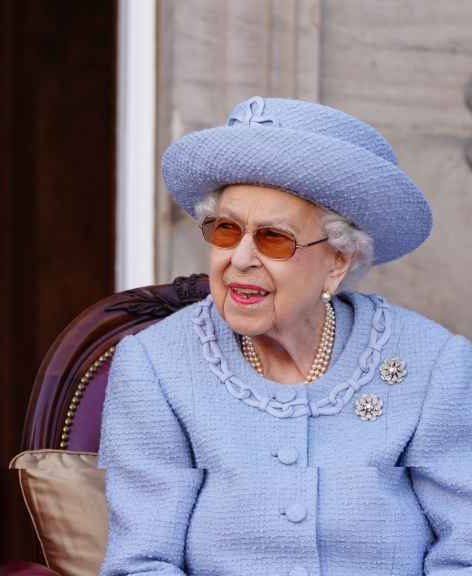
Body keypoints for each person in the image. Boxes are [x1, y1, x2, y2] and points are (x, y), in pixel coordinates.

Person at [99, 96, 471, 575]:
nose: (240, 258)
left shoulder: (434, 363)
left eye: (274, 238)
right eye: (226, 230)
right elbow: (142, 563)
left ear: (338, 260)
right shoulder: (156, 365)